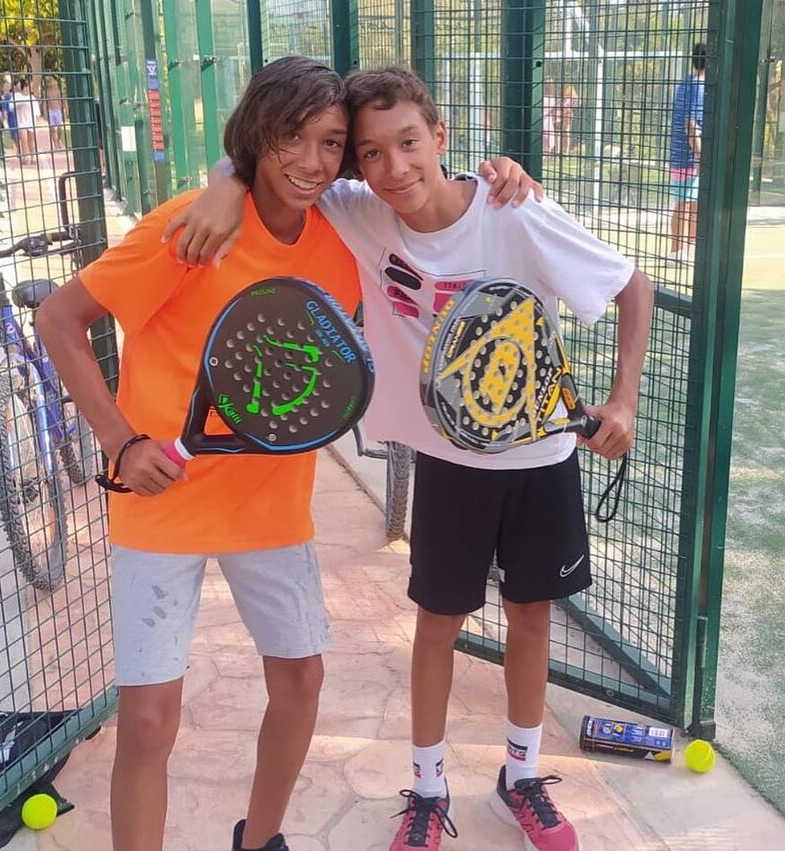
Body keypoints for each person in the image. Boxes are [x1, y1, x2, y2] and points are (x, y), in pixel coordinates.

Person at [39, 56, 534, 851]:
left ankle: (259, 839)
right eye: (288, 139)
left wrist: (504, 175)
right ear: (255, 139)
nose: (311, 161)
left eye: (331, 143)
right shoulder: (192, 225)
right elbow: (61, 318)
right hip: (160, 503)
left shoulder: (347, 231)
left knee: (301, 681)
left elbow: (434, 197)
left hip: (270, 505)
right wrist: (121, 441)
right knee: (149, 720)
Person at [169, 64, 654, 851]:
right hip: (449, 465)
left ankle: (521, 776)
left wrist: (623, 398)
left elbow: (633, 286)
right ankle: (428, 788)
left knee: (532, 617)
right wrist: (224, 178)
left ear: (441, 137)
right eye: (369, 153)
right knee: (438, 625)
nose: (393, 168)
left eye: (407, 143)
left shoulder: (515, 209)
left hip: (543, 459)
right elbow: (271, 157)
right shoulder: (360, 210)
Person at [669, 43, 707, 260]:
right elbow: (690, 124)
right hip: (687, 156)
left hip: (683, 155)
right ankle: (677, 251)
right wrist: (700, 155)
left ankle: (690, 249)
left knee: (694, 204)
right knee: (684, 203)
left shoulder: (686, 83)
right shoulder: (697, 87)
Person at [11, 79, 40, 166]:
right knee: (24, 140)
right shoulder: (16, 96)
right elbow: (11, 106)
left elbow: (37, 111)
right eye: (26, 87)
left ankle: (33, 156)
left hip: (31, 121)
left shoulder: (32, 98)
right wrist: (20, 104)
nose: (28, 89)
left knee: (31, 140)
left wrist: (37, 120)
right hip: (21, 122)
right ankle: (25, 157)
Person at [44, 77, 66, 152]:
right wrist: (45, 113)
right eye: (48, 82)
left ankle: (58, 140)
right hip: (50, 111)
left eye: (50, 82)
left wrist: (63, 111)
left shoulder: (57, 91)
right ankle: (56, 144)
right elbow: (45, 103)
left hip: (57, 110)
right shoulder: (46, 92)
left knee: (60, 128)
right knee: (52, 128)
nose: (50, 83)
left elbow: (60, 101)